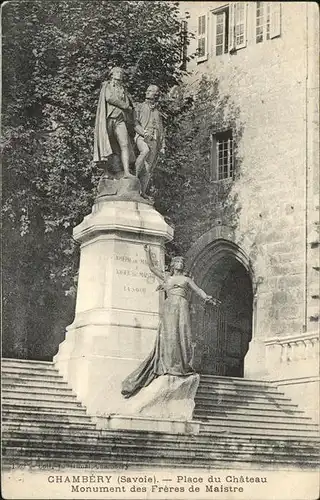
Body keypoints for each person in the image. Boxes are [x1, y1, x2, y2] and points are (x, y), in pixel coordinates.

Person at [121, 245, 220, 399]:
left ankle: (180, 364)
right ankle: (168, 363)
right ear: (173, 265)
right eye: (177, 261)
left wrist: (207, 297)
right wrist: (148, 252)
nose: (180, 263)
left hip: (182, 306)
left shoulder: (186, 279)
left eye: (182, 262)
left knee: (183, 333)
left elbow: (198, 290)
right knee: (170, 335)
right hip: (169, 308)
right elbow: (153, 268)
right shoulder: (168, 277)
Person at [93, 67, 146, 178]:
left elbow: (128, 102)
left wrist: (130, 107)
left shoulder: (123, 89)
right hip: (109, 118)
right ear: (111, 74)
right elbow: (110, 98)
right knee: (107, 145)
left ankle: (126, 171)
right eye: (117, 72)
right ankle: (107, 172)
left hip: (120, 119)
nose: (120, 74)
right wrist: (125, 106)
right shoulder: (107, 85)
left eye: (121, 72)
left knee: (124, 144)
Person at [134, 85, 165, 199]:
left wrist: (162, 145)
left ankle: (142, 192)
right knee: (145, 151)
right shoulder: (140, 107)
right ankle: (132, 178)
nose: (147, 92)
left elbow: (161, 129)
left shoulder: (157, 111)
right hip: (142, 136)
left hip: (155, 139)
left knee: (148, 167)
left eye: (151, 91)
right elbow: (135, 123)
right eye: (147, 90)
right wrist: (143, 132)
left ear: (156, 94)